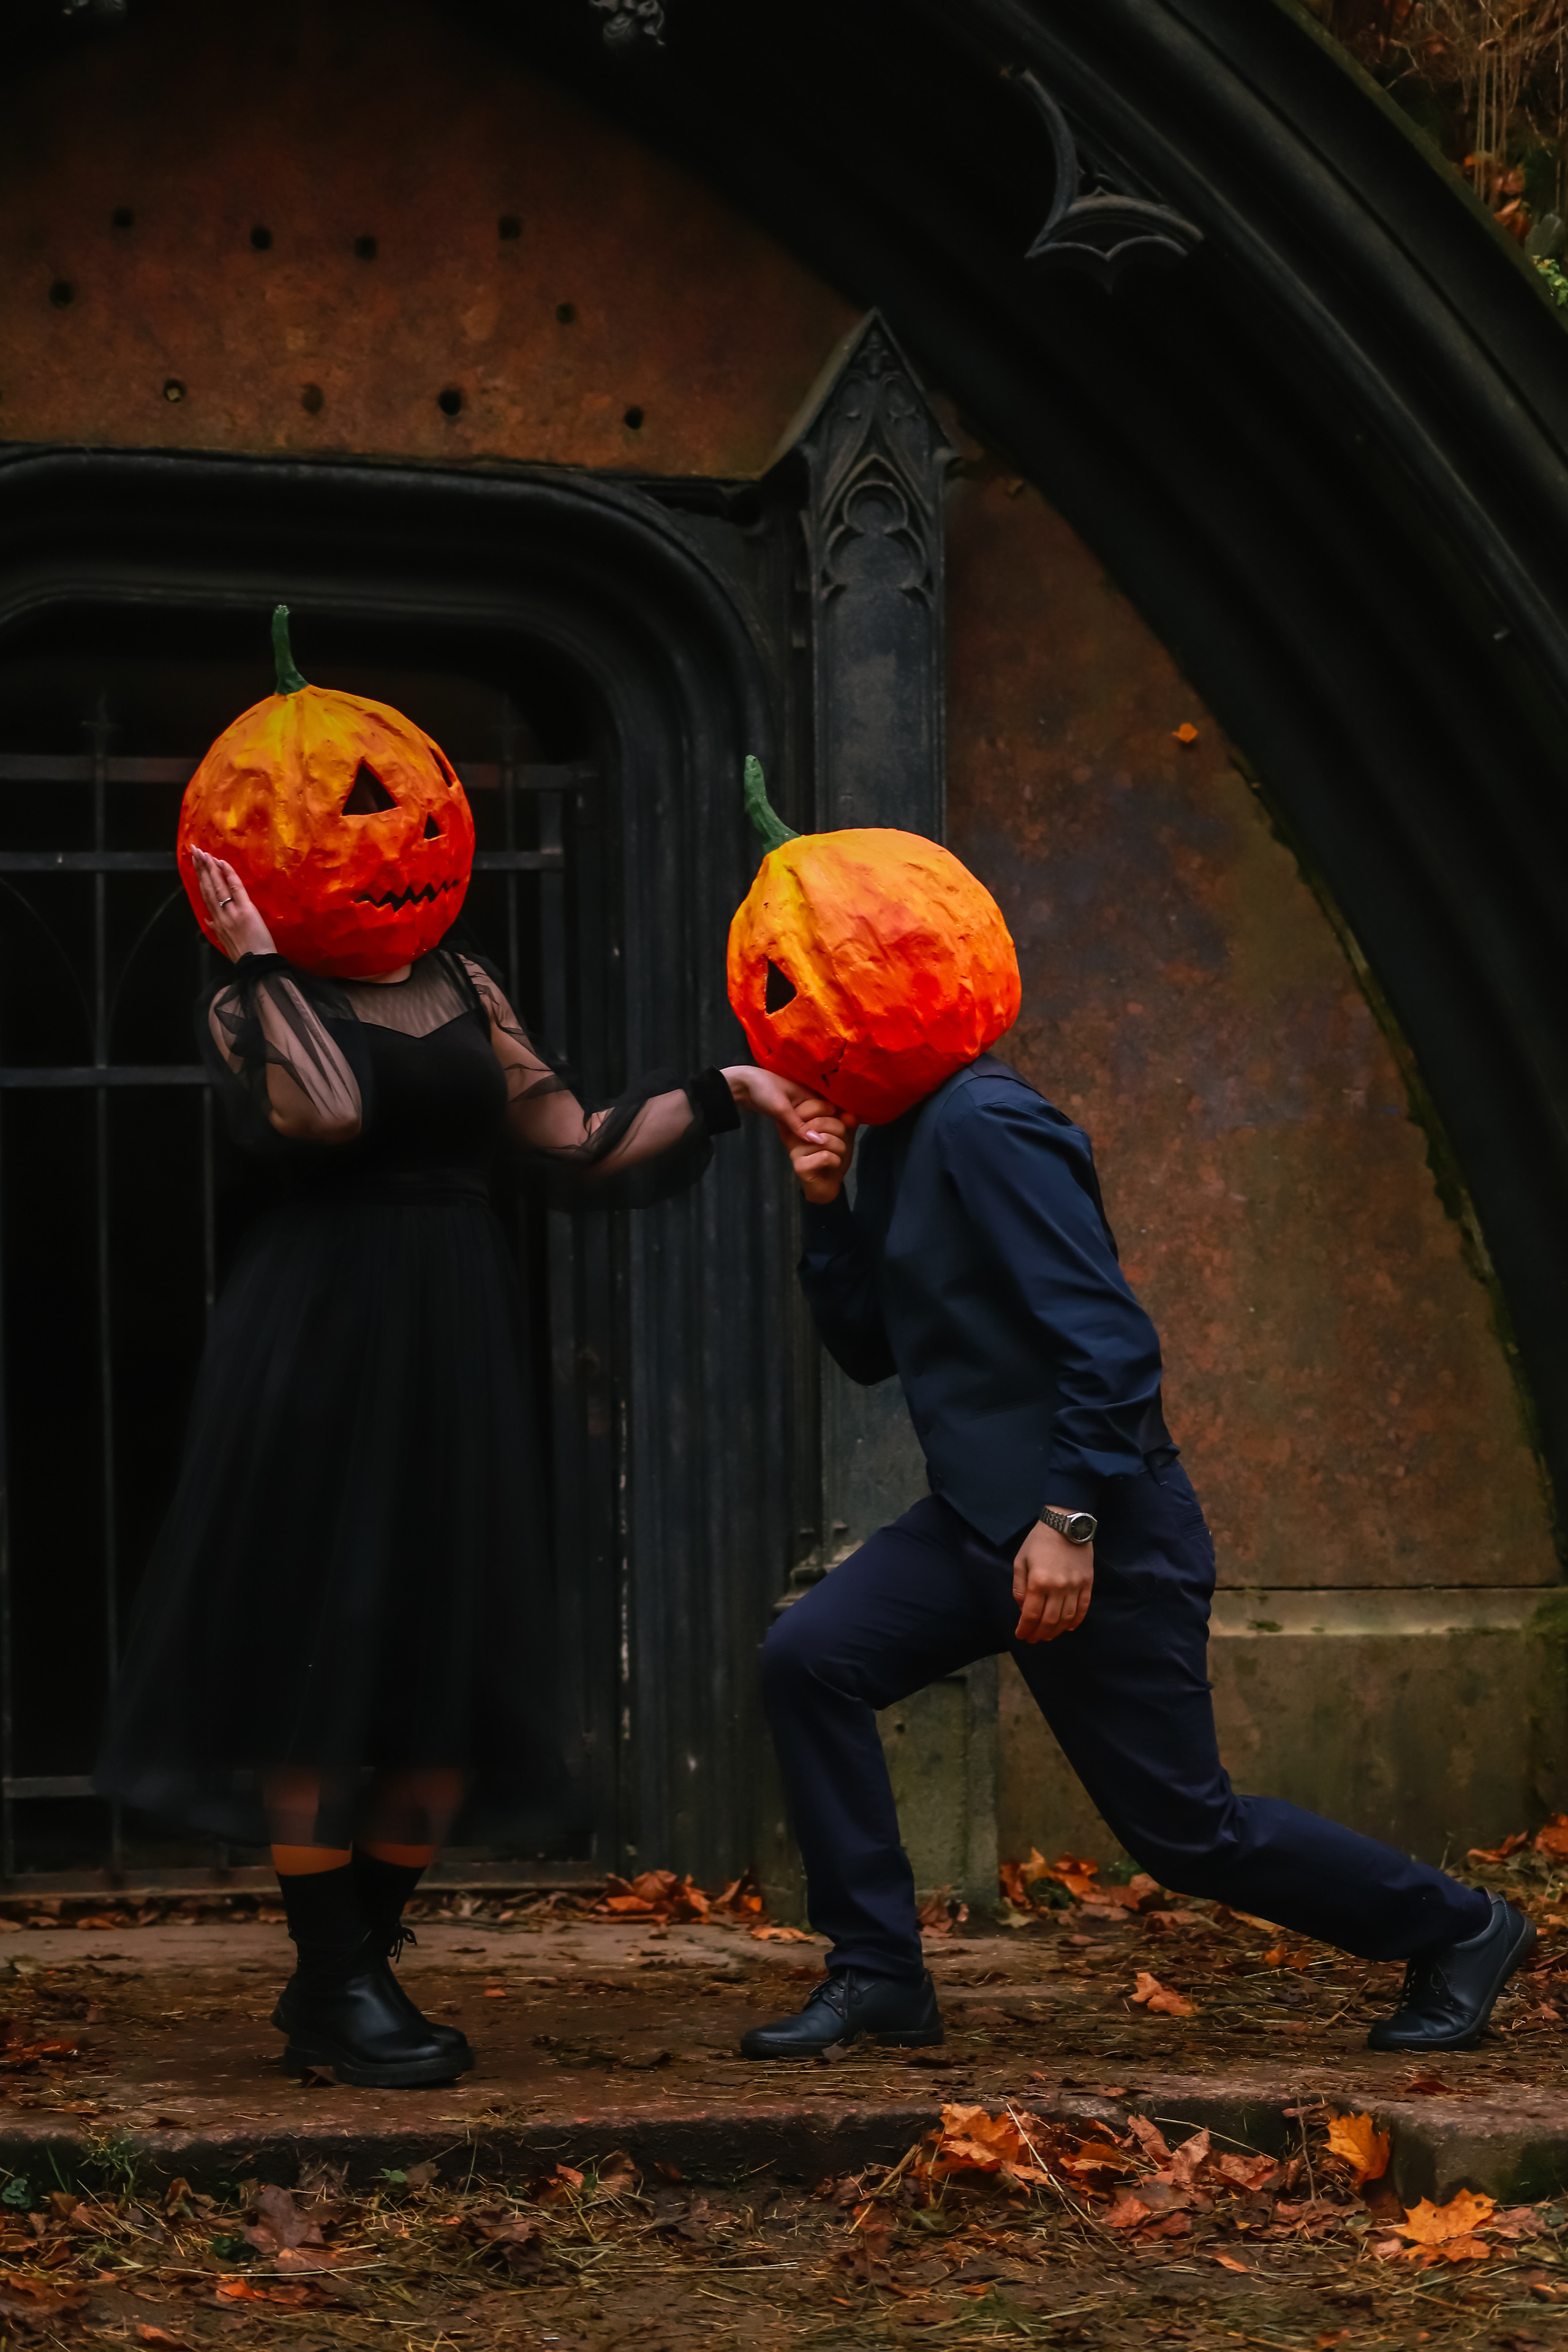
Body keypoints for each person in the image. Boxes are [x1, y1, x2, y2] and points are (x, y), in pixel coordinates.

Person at [96, 845, 821, 2091]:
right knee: (319, 1648)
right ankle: (339, 1979)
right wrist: (261, 956)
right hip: (319, 1331)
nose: (381, 853)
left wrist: (726, 1090)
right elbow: (323, 1112)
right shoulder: (250, 1003)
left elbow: (575, 1139)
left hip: (452, 1325)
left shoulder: (463, 981)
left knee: (448, 1652)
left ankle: (348, 1972)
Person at [742, 1047, 1536, 2059]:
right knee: (811, 1658)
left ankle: (1465, 1928)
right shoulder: (897, 1130)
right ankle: (881, 1974)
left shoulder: (987, 1118)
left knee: (1188, 1835)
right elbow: (865, 1350)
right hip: (978, 1523)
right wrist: (825, 1206)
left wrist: (1070, 1520)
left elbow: (1110, 1339)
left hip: (1098, 1527)